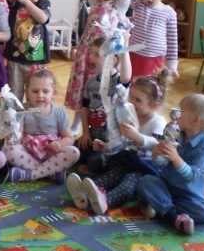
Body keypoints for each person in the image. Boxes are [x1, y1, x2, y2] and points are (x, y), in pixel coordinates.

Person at [67, 68, 173, 214]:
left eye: (138, 100)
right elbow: (122, 142)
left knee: (127, 183)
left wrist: (137, 136)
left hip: (145, 167)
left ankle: (105, 201)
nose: (132, 102)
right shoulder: (130, 115)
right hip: (128, 160)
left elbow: (157, 145)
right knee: (112, 175)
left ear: (154, 104)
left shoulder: (158, 122)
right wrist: (106, 146)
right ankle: (85, 191)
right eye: (131, 97)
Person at [64, 0, 131, 133]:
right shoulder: (95, 1)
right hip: (86, 53)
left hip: (104, 57)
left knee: (98, 89)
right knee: (82, 88)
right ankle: (77, 124)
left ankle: (102, 124)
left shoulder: (119, 6)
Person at [137, 93, 204, 235]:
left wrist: (176, 159)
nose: (176, 112)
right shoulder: (175, 134)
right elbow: (162, 164)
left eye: (181, 110)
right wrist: (157, 156)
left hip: (189, 196)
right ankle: (173, 215)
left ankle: (164, 210)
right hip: (166, 186)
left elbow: (193, 176)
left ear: (195, 120)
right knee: (145, 181)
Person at [3, 68, 79, 183]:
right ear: (27, 92)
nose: (40, 95)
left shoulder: (59, 112)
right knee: (8, 150)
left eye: (45, 91)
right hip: (28, 154)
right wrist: (11, 136)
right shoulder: (22, 110)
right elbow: (18, 138)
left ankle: (30, 174)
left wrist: (60, 144)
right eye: (35, 91)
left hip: (52, 154)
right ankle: (51, 172)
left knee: (74, 152)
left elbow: (69, 138)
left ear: (54, 93)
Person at [77, 35, 132, 173]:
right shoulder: (91, 82)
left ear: (112, 61)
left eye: (97, 54)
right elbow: (84, 106)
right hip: (94, 135)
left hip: (111, 142)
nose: (91, 57)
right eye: (91, 52)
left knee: (95, 162)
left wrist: (125, 46)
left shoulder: (117, 82)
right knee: (74, 151)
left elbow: (126, 77)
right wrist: (85, 133)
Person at [3, 0, 51, 101]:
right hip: (15, 60)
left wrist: (26, 1)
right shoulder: (16, 1)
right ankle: (13, 117)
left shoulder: (43, 2)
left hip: (36, 61)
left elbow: (42, 18)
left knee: (35, 98)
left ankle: (32, 117)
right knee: (13, 97)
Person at [128, 0, 179, 79]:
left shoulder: (169, 13)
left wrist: (172, 66)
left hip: (155, 58)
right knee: (133, 85)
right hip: (134, 54)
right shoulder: (139, 4)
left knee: (151, 87)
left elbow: (172, 41)